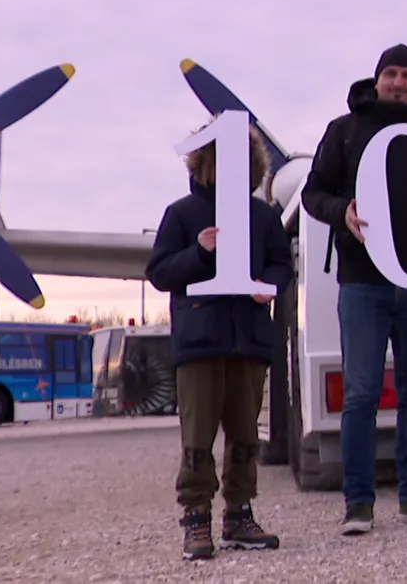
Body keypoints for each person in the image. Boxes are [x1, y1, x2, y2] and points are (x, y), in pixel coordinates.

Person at [300, 43, 407, 535]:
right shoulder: (345, 130)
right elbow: (314, 193)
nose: (398, 83)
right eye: (391, 74)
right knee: (361, 395)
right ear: (377, 80)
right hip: (364, 284)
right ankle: (358, 503)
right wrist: (343, 213)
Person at [145, 120, 293, 561]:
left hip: (249, 343)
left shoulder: (265, 218)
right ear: (205, 161)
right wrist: (199, 252)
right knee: (198, 439)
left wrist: (270, 284)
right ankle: (195, 519)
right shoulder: (181, 214)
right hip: (200, 343)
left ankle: (239, 515)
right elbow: (160, 273)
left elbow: (282, 265)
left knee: (246, 436)